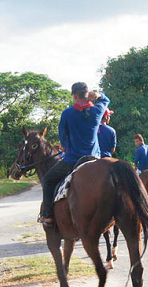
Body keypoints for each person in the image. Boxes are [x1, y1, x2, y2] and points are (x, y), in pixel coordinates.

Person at [39, 82, 110, 226]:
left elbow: (63, 140)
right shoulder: (97, 111)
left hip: (73, 160)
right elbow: (106, 100)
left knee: (47, 180)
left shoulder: (67, 114)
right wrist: (98, 95)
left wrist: (64, 146)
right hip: (94, 159)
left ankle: (47, 216)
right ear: (88, 94)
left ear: (74, 96)